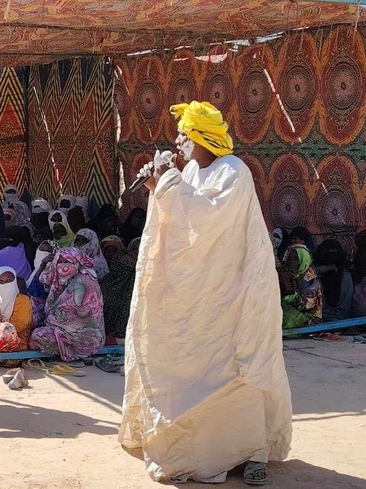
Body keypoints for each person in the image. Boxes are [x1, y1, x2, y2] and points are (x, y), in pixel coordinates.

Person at [120, 101, 292, 485]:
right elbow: (182, 225)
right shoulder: (195, 170)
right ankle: (203, 453)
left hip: (233, 295)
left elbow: (206, 218)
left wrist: (168, 179)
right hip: (202, 296)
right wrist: (156, 185)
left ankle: (251, 453)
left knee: (238, 370)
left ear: (199, 136)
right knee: (196, 373)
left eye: (183, 133)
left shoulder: (234, 173)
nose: (178, 141)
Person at [29, 247, 104, 361]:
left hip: (84, 336)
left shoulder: (85, 282)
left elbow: (74, 315)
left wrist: (48, 321)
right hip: (58, 328)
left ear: (77, 263)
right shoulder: (58, 281)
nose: (63, 267)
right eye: (60, 262)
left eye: (68, 262)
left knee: (39, 337)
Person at [99, 236, 136, 339]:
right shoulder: (106, 281)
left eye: (130, 263)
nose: (127, 266)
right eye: (124, 262)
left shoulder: (136, 286)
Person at [281, 244, 323, 330]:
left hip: (310, 318)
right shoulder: (289, 273)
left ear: (304, 260)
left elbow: (306, 306)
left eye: (296, 259)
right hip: (292, 311)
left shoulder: (310, 280)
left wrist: (288, 289)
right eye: (290, 258)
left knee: (285, 319)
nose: (291, 262)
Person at [314, 239, 353, 321]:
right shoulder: (315, 276)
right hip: (317, 318)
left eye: (333, 252)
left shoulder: (346, 277)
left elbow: (345, 307)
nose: (329, 257)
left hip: (341, 319)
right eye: (326, 253)